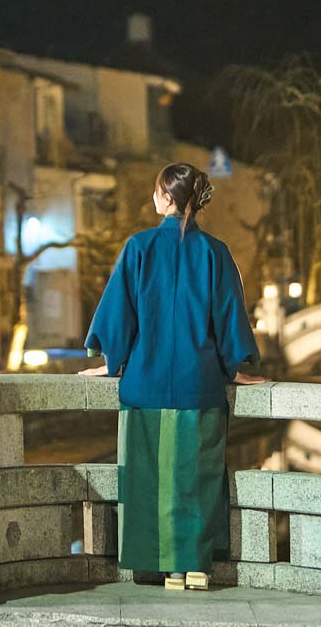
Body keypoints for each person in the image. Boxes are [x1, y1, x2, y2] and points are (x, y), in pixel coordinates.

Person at [80, 162, 264, 591]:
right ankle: (195, 565)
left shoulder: (138, 247)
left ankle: (164, 566)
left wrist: (111, 359)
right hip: (199, 384)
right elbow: (228, 317)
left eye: (156, 191)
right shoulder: (215, 252)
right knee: (198, 477)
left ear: (166, 197)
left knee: (148, 478)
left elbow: (119, 313)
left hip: (145, 383)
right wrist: (235, 367)